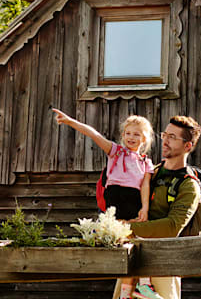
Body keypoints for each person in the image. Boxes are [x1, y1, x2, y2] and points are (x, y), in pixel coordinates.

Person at [52, 109, 156, 298]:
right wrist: (70, 121)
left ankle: (144, 285)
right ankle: (126, 293)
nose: (131, 137)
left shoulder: (145, 162)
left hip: (134, 201)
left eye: (136, 134)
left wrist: (145, 208)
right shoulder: (115, 152)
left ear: (144, 139)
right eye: (128, 133)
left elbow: (145, 185)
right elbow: (94, 134)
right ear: (123, 135)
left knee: (139, 244)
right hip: (116, 200)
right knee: (124, 247)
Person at [127, 115, 201, 299]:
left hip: (163, 267)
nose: (165, 141)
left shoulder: (189, 185)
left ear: (188, 146)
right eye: (165, 135)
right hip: (131, 265)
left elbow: (172, 227)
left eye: (172, 137)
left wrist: (125, 228)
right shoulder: (149, 172)